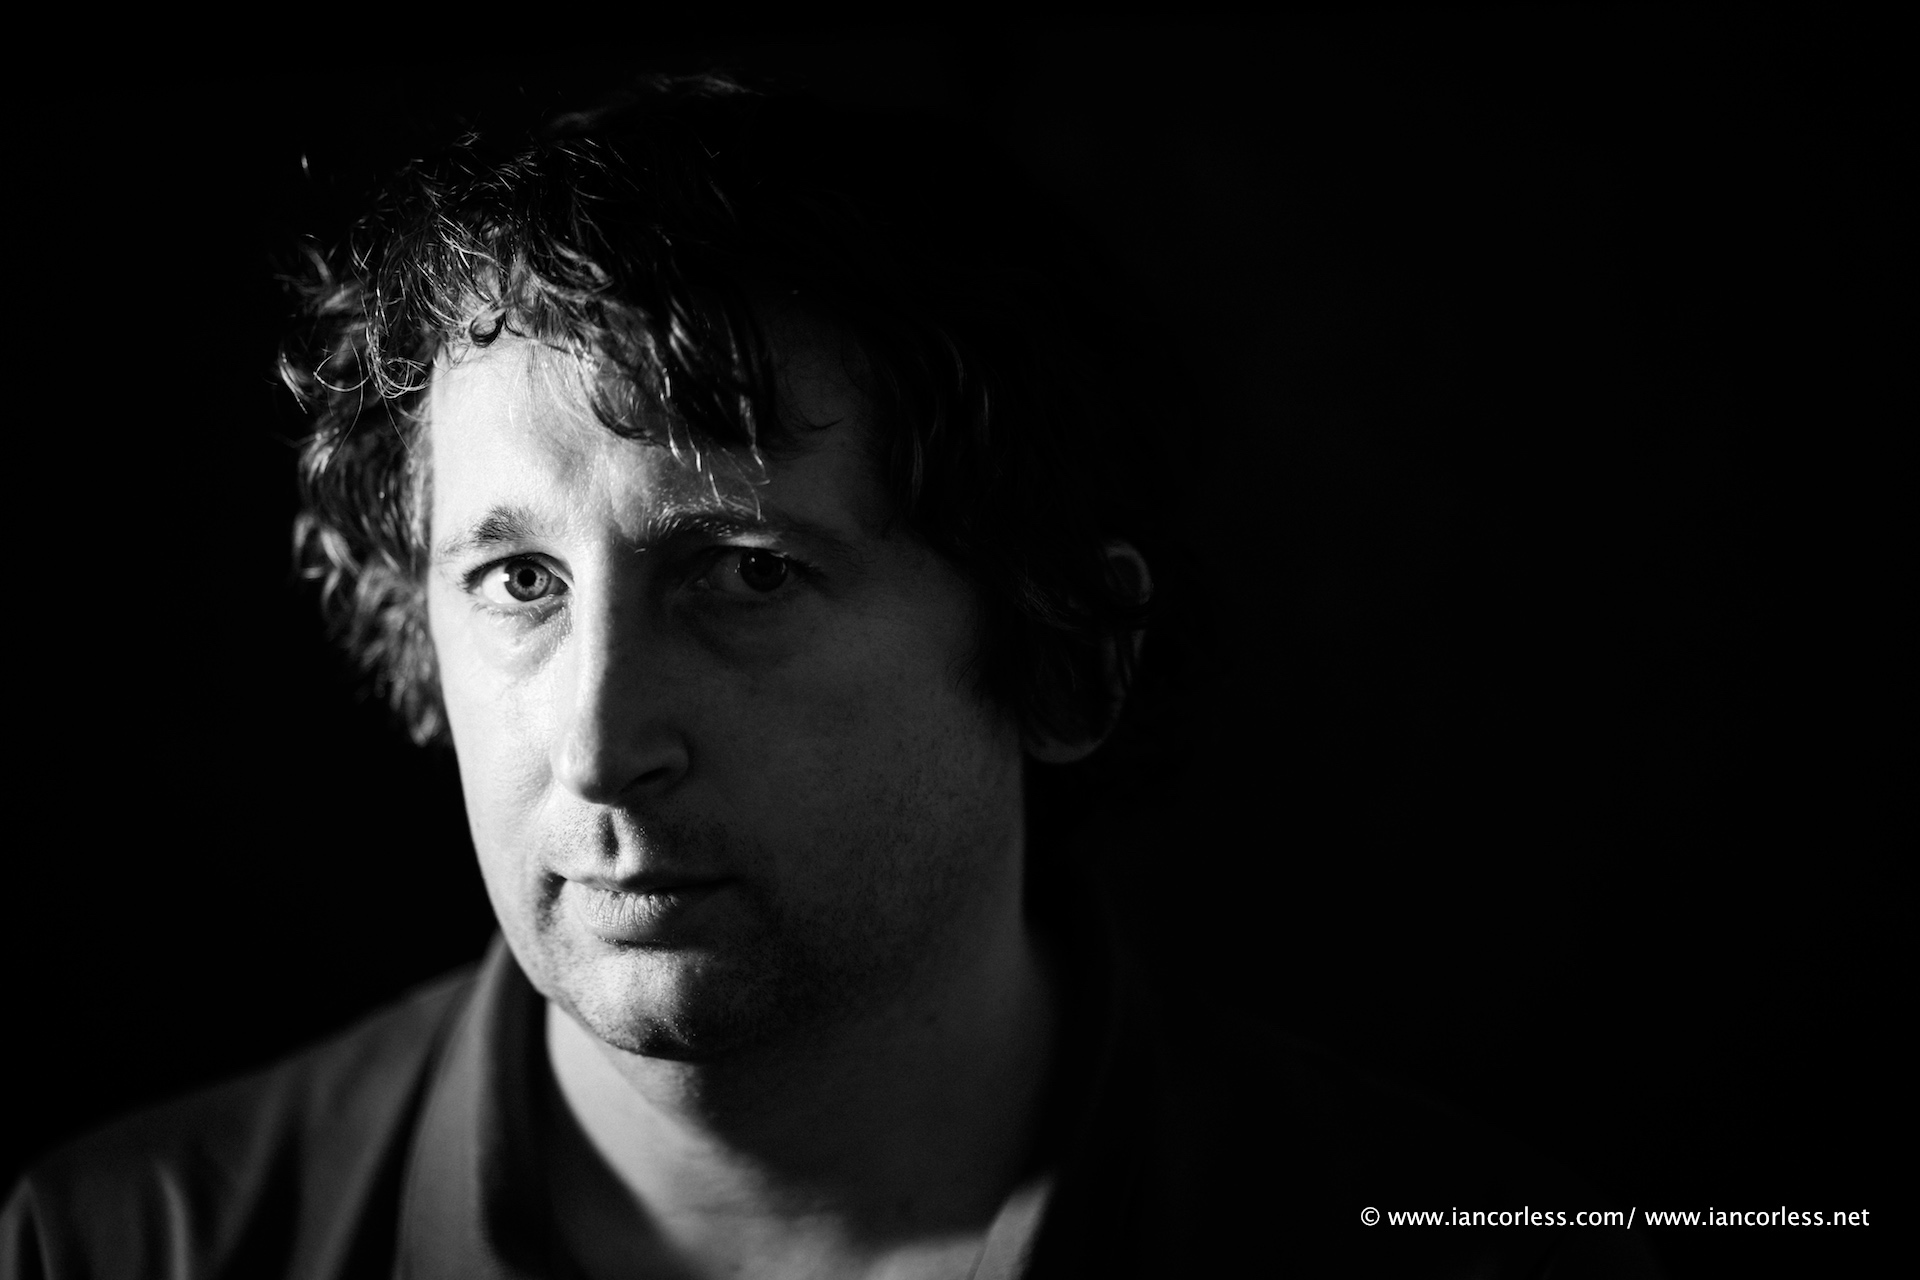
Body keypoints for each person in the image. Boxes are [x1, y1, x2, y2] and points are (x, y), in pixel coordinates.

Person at [2, 75, 1656, 1279]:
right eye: (519, 583)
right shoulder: (129, 1247)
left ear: (1066, 654)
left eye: (746, 575)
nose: (599, 746)